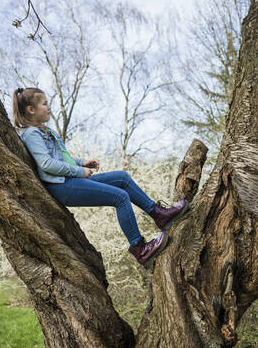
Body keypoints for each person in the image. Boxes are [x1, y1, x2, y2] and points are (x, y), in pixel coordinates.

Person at [12, 87, 189, 269]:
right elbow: (47, 164)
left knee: (122, 177)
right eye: (44, 103)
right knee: (120, 197)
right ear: (31, 109)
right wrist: (80, 172)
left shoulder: (46, 131)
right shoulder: (32, 134)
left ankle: (159, 215)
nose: (49, 107)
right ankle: (140, 249)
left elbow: (64, 159)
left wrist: (81, 163)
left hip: (70, 179)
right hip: (62, 186)